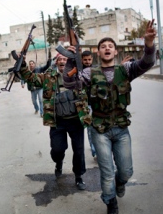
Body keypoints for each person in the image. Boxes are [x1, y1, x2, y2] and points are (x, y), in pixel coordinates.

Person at [61, 20, 156, 214]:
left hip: (121, 128)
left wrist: (149, 44)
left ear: (114, 52)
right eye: (103, 46)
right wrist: (71, 59)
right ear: (98, 52)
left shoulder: (126, 70)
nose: (107, 48)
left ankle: (120, 184)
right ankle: (110, 203)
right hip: (99, 128)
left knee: (126, 171)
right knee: (107, 172)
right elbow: (70, 83)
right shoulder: (89, 72)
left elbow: (147, 62)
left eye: (110, 46)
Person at [20, 54, 90, 190]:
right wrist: (22, 65)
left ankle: (79, 176)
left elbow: (93, 76)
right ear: (56, 62)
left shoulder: (78, 75)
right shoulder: (48, 77)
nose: (62, 61)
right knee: (57, 149)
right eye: (60, 59)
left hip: (76, 120)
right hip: (58, 121)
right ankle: (59, 162)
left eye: (65, 59)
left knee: (79, 151)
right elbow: (31, 78)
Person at [81, 50, 96, 157]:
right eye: (85, 60)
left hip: (97, 104)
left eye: (89, 59)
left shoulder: (97, 70)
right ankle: (94, 150)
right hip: (85, 105)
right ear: (82, 60)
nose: (87, 61)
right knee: (90, 129)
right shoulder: (78, 70)